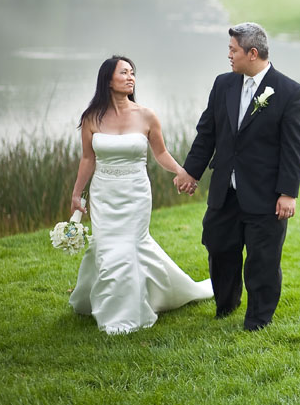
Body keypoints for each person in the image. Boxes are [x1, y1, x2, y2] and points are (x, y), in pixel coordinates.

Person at [176, 22, 300, 331]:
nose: (229, 56)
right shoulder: (223, 84)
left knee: (263, 259)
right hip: (225, 190)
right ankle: (226, 304)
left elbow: (294, 148)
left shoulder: (289, 92)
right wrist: (191, 171)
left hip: (265, 194)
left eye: (233, 50)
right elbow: (207, 133)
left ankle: (258, 320)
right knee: (219, 247)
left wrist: (288, 193)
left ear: (252, 53)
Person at [68, 55, 213, 335]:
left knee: (130, 247)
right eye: (124, 72)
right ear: (108, 80)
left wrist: (182, 172)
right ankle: (107, 302)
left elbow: (160, 153)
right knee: (107, 247)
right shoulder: (91, 118)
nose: (130, 77)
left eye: (132, 72)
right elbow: (88, 159)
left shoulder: (147, 115)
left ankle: (126, 314)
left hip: (135, 192)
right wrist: (77, 194)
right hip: (104, 193)